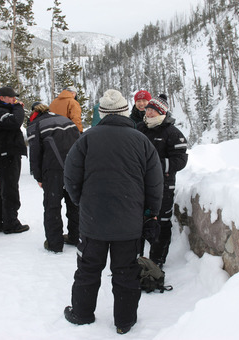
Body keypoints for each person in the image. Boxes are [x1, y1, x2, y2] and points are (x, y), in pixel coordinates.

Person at [63, 89, 163, 334]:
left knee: (88, 268)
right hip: (128, 222)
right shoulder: (141, 141)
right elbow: (155, 183)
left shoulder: (86, 138)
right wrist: (150, 213)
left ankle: (82, 314)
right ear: (125, 111)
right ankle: (125, 322)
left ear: (103, 113)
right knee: (126, 272)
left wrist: (82, 202)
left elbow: (71, 177)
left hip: (93, 220)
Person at [137, 94, 188, 267]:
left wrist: (156, 165)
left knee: (161, 222)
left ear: (162, 112)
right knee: (137, 220)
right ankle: (134, 259)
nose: (149, 113)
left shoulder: (172, 133)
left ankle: (156, 261)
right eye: (148, 109)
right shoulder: (139, 128)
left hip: (164, 186)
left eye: (153, 110)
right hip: (139, 185)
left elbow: (181, 160)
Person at [26, 102, 80, 253]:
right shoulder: (65, 120)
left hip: (52, 170)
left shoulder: (35, 125)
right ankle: (76, 236)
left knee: (52, 206)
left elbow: (35, 153)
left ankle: (54, 243)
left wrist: (38, 176)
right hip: (73, 167)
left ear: (33, 113)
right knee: (74, 203)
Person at [0, 86, 29, 234]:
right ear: (2, 98)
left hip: (6, 153)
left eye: (15, 98)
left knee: (3, 188)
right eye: (11, 98)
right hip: (5, 154)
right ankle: (11, 223)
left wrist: (15, 107)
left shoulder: (3, 110)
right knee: (10, 190)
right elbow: (15, 122)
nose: (14, 100)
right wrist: (18, 107)